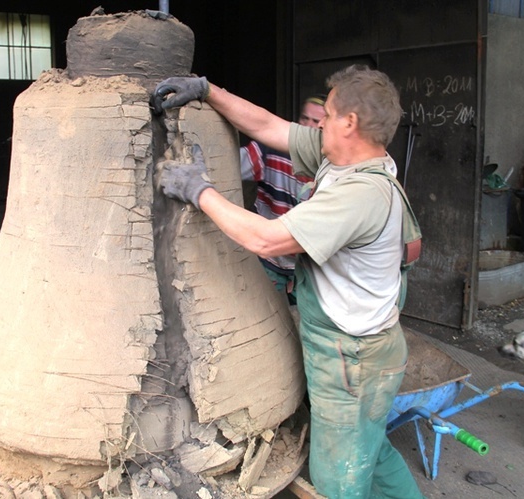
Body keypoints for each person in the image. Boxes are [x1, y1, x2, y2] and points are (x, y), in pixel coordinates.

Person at [152, 65, 423, 498]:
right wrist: (208, 91)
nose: (318, 123)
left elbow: (266, 239)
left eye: (328, 115)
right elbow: (269, 127)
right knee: (369, 450)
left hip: (352, 360)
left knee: (339, 477)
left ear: (349, 124)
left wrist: (198, 191)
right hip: (353, 348)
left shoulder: (360, 195)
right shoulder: (345, 160)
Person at [239, 95, 325, 302]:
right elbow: (229, 165)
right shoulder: (271, 150)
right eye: (305, 119)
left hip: (308, 269)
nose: (309, 126)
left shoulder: (333, 168)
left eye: (317, 122)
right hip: (269, 261)